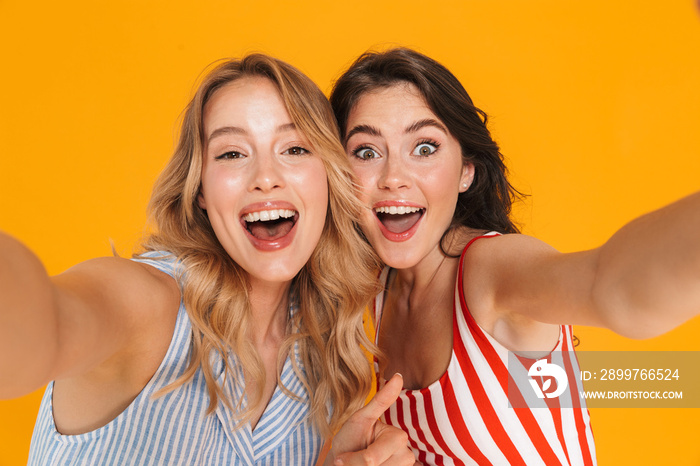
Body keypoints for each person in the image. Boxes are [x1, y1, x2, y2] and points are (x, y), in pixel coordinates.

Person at [0, 54, 414, 465]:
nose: (265, 177)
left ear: (328, 178)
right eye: (232, 153)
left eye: (294, 148)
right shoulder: (150, 304)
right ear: (200, 190)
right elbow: (48, 320)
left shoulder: (327, 362)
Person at [330, 47, 700, 465]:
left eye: (425, 147)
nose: (393, 178)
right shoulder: (377, 291)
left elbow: (609, 285)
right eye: (366, 152)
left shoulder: (490, 270)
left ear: (466, 170)